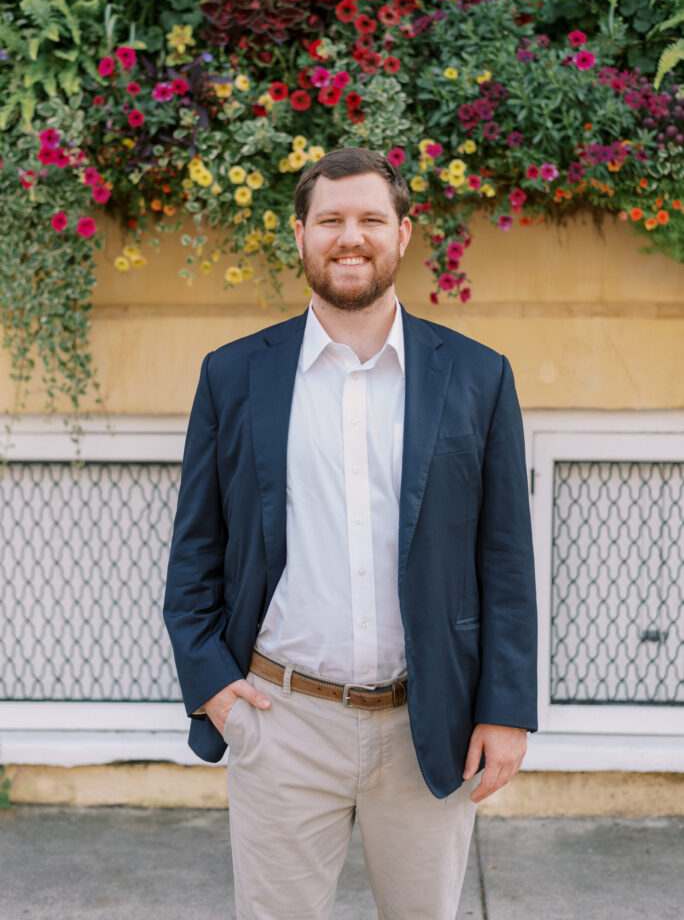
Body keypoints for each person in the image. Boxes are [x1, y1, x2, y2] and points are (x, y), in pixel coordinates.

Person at [163, 146, 537, 920]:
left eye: (371, 218)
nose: (350, 237)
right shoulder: (233, 375)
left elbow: (504, 557)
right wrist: (212, 688)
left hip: (428, 722)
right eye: (329, 220)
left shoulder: (477, 375)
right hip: (280, 721)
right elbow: (197, 546)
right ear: (299, 235)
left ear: (404, 234)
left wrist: (505, 708)